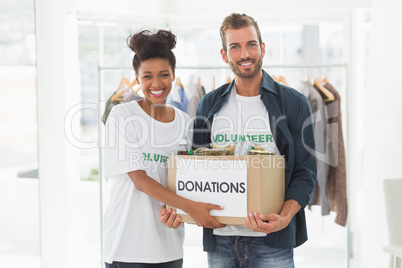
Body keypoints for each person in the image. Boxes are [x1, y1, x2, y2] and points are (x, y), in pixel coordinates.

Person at [166, 13, 317, 267]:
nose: (244, 53)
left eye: (251, 44)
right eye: (235, 47)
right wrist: (180, 209)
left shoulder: (293, 103)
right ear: (225, 55)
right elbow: (196, 169)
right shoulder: (209, 104)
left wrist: (285, 217)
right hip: (221, 239)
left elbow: (305, 171)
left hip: (272, 240)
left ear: (262, 48)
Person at [103, 29, 225, 268]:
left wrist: (181, 214)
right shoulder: (122, 116)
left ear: (173, 75)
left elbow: (187, 184)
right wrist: (189, 207)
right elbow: (140, 179)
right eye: (147, 76)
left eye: (164, 75)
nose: (156, 84)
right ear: (137, 78)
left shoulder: (186, 123)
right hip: (127, 250)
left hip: (169, 249)